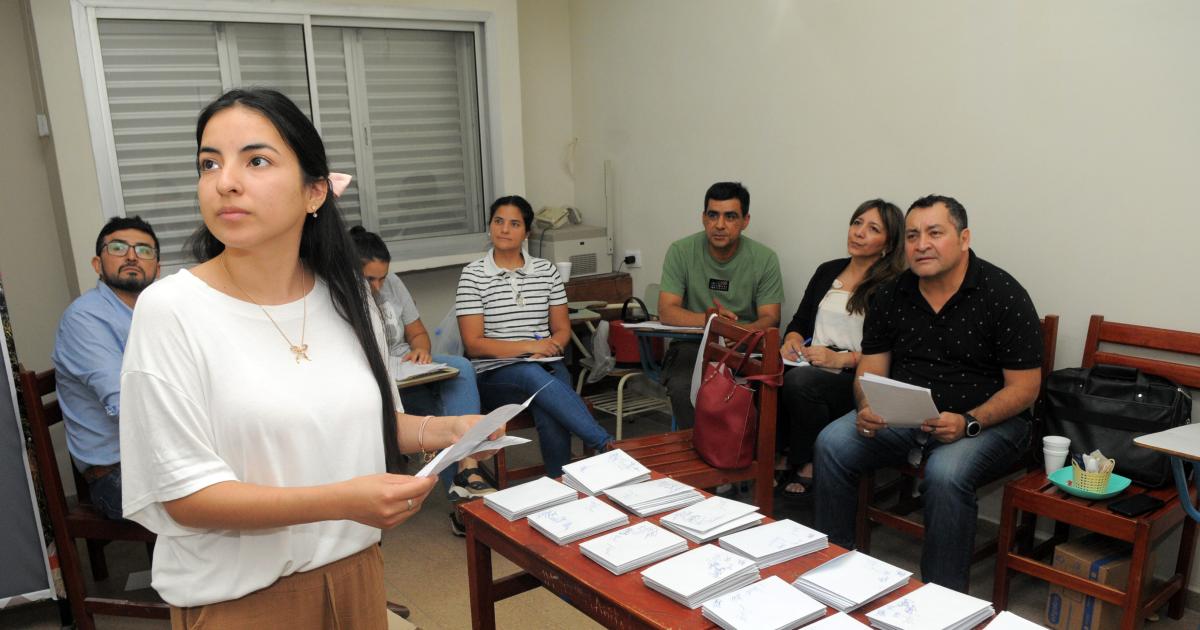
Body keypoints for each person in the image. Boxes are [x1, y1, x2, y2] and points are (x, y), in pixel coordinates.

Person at [118, 88, 494, 628]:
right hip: (239, 600)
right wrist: (343, 499)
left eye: (257, 160)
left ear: (314, 191)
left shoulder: (348, 295)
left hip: (358, 575)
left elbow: (371, 423)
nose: (226, 180)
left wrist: (447, 429)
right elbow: (185, 495)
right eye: (209, 163)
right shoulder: (171, 309)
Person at [813, 195, 1043, 592]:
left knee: (945, 473)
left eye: (935, 233)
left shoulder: (1002, 294)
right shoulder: (890, 294)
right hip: (905, 415)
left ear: (964, 237)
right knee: (832, 443)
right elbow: (871, 369)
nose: (922, 245)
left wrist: (970, 421)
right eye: (913, 235)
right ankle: (834, 573)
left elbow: (1026, 388)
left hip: (988, 422)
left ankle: (943, 600)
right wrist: (866, 405)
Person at [456, 195, 613, 478]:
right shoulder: (473, 275)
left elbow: (563, 329)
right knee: (531, 374)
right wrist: (530, 348)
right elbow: (474, 344)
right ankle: (604, 443)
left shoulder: (546, 271)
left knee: (548, 406)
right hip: (495, 376)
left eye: (514, 224)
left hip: (547, 366)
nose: (504, 229)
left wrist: (549, 348)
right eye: (498, 221)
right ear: (490, 226)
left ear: (526, 233)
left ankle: (559, 483)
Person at [349, 227, 495, 519]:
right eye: (370, 279)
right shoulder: (338, 294)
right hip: (375, 374)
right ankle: (465, 500)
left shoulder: (393, 283)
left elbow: (418, 334)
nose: (377, 286)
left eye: (382, 278)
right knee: (437, 414)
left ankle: (467, 466)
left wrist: (421, 351)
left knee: (462, 367)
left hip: (406, 364)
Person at [776, 199, 905, 497]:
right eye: (856, 223)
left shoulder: (894, 286)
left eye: (872, 228)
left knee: (801, 383)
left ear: (888, 243)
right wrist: (792, 340)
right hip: (811, 361)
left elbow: (895, 352)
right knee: (765, 372)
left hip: (855, 376)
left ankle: (807, 461)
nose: (859, 232)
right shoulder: (827, 271)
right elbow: (799, 321)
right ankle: (775, 455)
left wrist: (840, 359)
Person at [52, 216, 160, 519]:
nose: (131, 256)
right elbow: (126, 403)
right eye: (118, 247)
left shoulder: (155, 313)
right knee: (219, 505)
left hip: (160, 458)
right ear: (97, 264)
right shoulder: (84, 319)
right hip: (117, 475)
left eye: (144, 250)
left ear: (157, 268)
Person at [657, 181, 784, 428]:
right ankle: (693, 454)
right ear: (703, 218)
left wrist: (737, 334)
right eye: (713, 215)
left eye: (730, 216)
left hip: (745, 347)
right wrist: (713, 322)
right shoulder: (681, 251)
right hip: (692, 345)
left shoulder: (764, 258)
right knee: (683, 386)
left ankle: (742, 456)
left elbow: (771, 317)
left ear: (745, 221)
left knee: (767, 389)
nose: (719, 225)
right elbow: (666, 310)